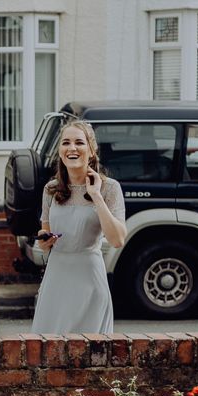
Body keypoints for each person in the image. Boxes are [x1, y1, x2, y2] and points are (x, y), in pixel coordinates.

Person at [31, 121, 127, 335]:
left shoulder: (110, 188)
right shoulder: (51, 189)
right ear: (60, 151)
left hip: (89, 279)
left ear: (91, 150)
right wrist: (44, 241)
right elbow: (44, 233)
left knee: (89, 351)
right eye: (66, 142)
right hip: (56, 278)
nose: (72, 148)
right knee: (48, 347)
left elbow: (117, 239)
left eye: (79, 143)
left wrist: (96, 196)